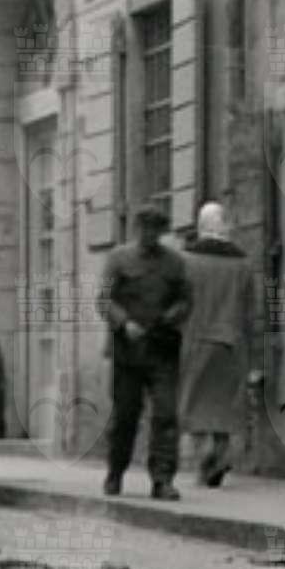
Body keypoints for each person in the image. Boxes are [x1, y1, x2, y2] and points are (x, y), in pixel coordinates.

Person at [98, 200, 192, 501]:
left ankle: (163, 479)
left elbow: (186, 300)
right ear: (137, 228)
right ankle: (116, 471)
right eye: (145, 228)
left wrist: (173, 315)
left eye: (156, 229)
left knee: (166, 414)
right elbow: (104, 300)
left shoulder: (175, 263)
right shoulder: (119, 259)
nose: (150, 235)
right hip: (128, 351)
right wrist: (124, 323)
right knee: (126, 415)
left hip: (162, 348)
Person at [180, 202, 256, 488]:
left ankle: (204, 457)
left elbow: (180, 304)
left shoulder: (187, 262)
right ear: (225, 226)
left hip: (195, 341)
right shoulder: (244, 265)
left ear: (201, 227)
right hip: (231, 344)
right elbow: (250, 314)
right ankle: (220, 452)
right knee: (225, 406)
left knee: (194, 403)